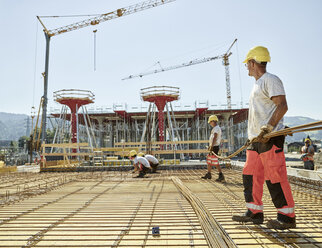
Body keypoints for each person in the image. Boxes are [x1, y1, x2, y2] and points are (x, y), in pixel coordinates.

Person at [232, 46, 296, 229]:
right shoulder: (256, 85)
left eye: (247, 64)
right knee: (250, 175)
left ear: (253, 62)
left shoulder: (271, 80)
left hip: (270, 137)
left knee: (275, 176)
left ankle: (287, 216)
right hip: (255, 140)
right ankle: (254, 212)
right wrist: (251, 136)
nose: (246, 67)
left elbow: (282, 105)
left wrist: (268, 128)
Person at [201, 115, 225, 182]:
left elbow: (215, 137)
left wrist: (211, 146)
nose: (210, 124)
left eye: (210, 122)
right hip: (213, 146)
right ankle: (209, 174)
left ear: (213, 121)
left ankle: (221, 175)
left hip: (214, 147)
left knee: (215, 161)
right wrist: (210, 145)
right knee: (209, 160)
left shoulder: (217, 128)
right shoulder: (215, 128)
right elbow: (213, 138)